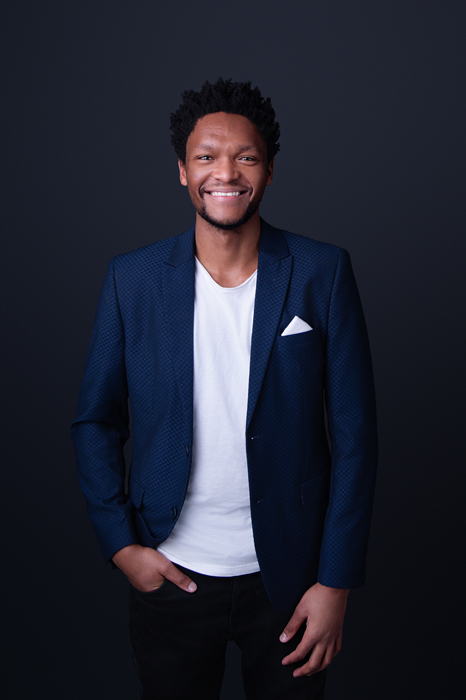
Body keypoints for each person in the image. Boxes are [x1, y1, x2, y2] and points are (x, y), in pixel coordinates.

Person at [71, 77, 377, 700]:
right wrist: (121, 545)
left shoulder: (322, 271)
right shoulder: (132, 279)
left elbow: (355, 438)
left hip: (291, 580)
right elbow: (96, 422)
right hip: (172, 573)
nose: (225, 173)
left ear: (268, 171)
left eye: (246, 157)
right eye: (206, 157)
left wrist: (335, 582)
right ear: (182, 171)